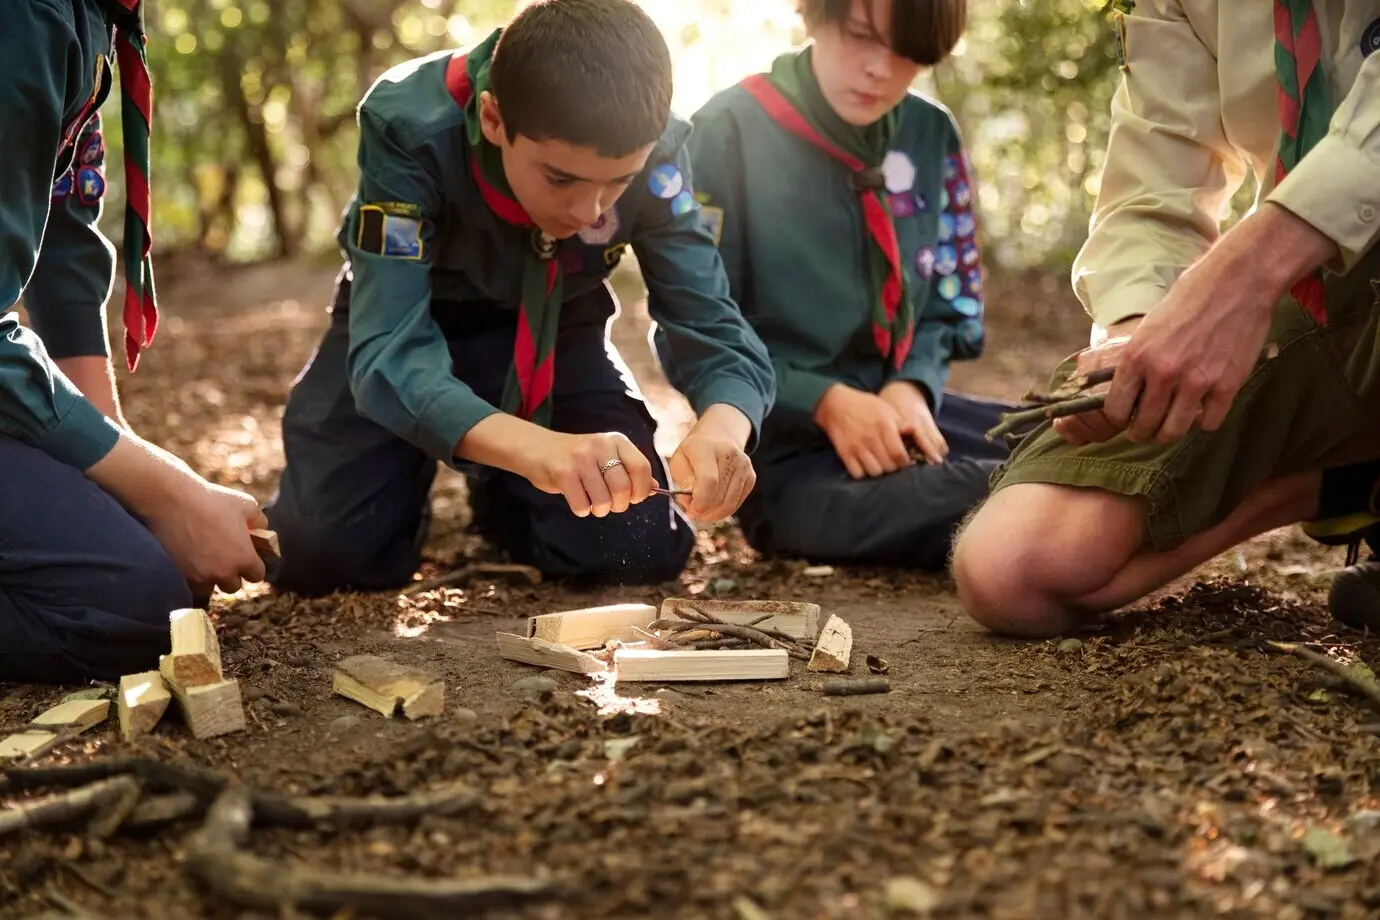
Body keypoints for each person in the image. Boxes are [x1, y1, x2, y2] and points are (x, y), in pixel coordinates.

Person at [264, 0, 777, 595]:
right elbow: (389, 350)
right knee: (324, 555)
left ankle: (505, 497)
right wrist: (538, 451)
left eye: (619, 181)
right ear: (492, 119)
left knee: (633, 548)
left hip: (558, 328)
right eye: (561, 178)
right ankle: (445, 473)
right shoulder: (411, 125)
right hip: (412, 320)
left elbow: (710, 320)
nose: (591, 211)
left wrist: (723, 428)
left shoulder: (658, 146)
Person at [952, 0, 1380, 636]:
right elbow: (1153, 186)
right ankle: (1352, 479)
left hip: (1294, 255)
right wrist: (1137, 332)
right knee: (1015, 568)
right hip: (1322, 291)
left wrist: (1247, 270)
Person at [683, 0, 1011, 570]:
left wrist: (912, 386)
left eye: (907, 51)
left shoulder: (929, 132)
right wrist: (825, 402)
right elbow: (697, 327)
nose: (880, 68)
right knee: (993, 489)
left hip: (904, 414)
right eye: (861, 36)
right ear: (813, 15)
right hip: (787, 453)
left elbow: (948, 303)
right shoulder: (726, 132)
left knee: (1068, 441)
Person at [0, 0, 268, 684]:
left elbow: (61, 228)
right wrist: (165, 494)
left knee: (149, 585)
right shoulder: (28, 18)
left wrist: (117, 460)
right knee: (124, 608)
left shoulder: (93, 13)